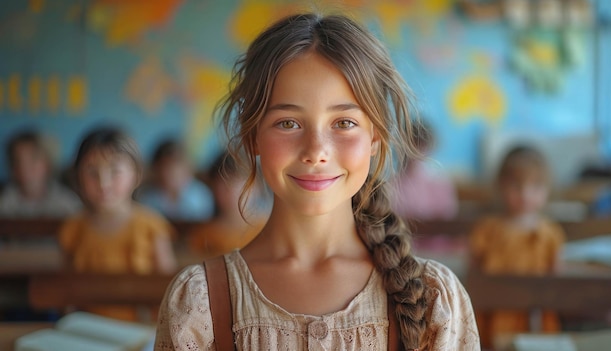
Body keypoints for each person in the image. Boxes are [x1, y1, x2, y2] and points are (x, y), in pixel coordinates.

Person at [156, 13, 479, 350]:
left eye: (343, 122)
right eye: (288, 123)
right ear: (252, 136)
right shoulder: (200, 304)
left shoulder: (432, 301)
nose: (316, 152)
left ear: (375, 137)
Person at [59, 127, 177, 321]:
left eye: (115, 171)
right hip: (87, 328)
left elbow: (167, 290)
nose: (103, 182)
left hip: (141, 328)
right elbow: (66, 291)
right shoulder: (73, 228)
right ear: (78, 176)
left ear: (136, 175)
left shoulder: (152, 226)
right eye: (91, 171)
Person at [469, 145, 565, 348]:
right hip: (493, 314)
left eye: (536, 186)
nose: (525, 194)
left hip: (535, 314)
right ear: (500, 186)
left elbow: (556, 279)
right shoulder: (486, 230)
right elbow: (473, 276)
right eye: (516, 185)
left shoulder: (551, 234)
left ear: (547, 190)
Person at [188, 152, 267, 258]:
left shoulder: (267, 229)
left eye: (234, 180)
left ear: (257, 186)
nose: (228, 188)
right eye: (221, 182)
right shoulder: (204, 235)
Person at [0, 130, 82, 218]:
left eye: (33, 159)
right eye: (18, 161)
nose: (25, 167)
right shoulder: (4, 202)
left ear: (48, 164)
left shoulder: (67, 203)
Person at [390, 121, 459, 221]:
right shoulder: (392, 186)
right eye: (413, 144)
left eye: (421, 145)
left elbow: (448, 222)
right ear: (402, 146)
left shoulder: (440, 184)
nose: (417, 151)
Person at [137, 139, 215, 221]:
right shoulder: (147, 198)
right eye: (167, 168)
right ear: (156, 169)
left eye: (178, 167)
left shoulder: (200, 196)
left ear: (188, 169)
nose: (174, 173)